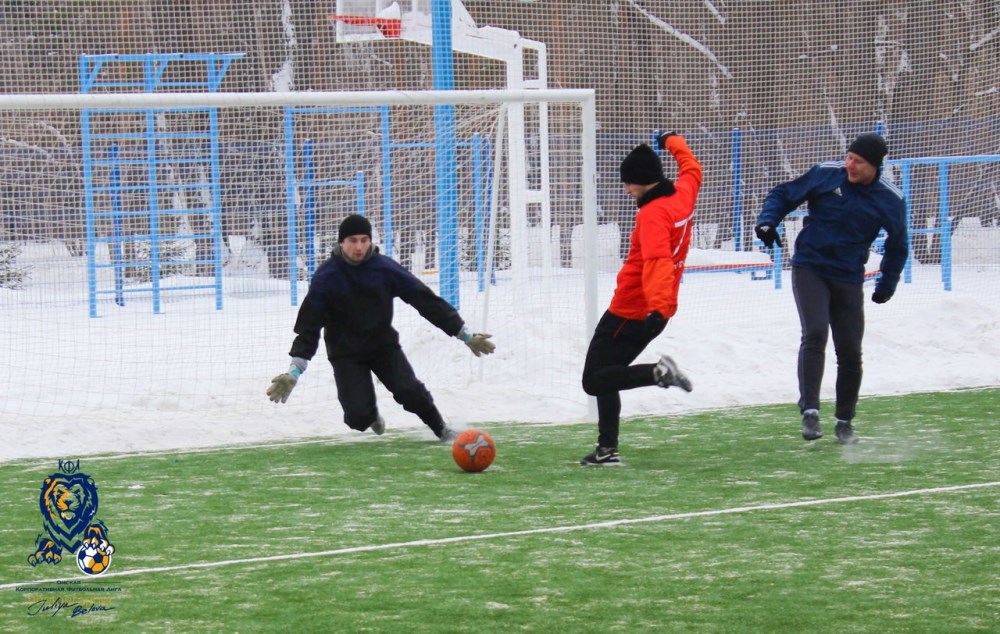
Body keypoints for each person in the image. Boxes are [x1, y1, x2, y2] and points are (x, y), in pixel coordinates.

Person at [266, 214, 496, 442]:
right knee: (357, 417)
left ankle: (441, 429)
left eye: (364, 240)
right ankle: (370, 416)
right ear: (341, 243)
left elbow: (424, 300)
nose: (359, 246)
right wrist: (294, 371)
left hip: (383, 346)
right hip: (345, 353)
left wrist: (464, 334)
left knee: (410, 391)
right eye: (353, 240)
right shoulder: (326, 278)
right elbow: (309, 327)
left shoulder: (384, 269)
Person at [754, 132, 908, 444]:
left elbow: (898, 245)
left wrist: (886, 284)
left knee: (850, 351)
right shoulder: (826, 174)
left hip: (848, 276)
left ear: (875, 166)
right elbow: (783, 194)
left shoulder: (891, 199)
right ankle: (810, 411)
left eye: (858, 161)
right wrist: (768, 222)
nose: (850, 164)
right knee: (815, 333)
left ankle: (844, 422)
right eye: (849, 157)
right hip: (810, 266)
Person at [579, 132, 702, 466]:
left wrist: (657, 307)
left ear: (644, 182)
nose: (626, 189)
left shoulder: (652, 215)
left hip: (632, 310)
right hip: (653, 313)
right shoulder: (682, 195)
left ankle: (657, 374)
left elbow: (658, 261)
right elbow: (693, 169)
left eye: (629, 183)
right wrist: (672, 140)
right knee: (609, 372)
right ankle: (607, 450)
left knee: (593, 380)